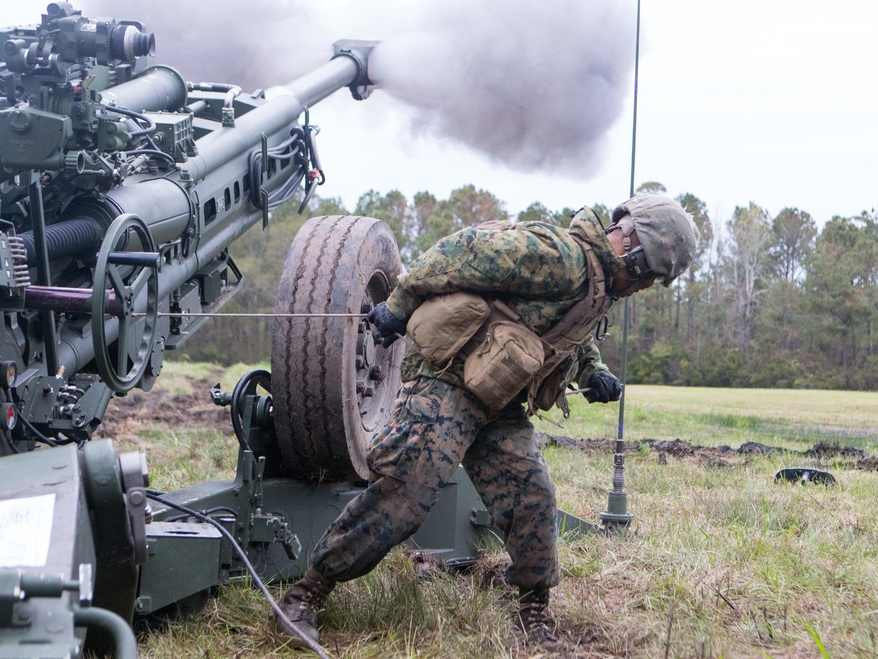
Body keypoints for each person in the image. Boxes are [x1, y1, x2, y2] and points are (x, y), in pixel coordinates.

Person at [273, 193, 699, 650]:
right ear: (630, 247)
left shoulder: (598, 287)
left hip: (499, 397)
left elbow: (565, 332)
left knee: (532, 495)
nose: (643, 286)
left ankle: (534, 615)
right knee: (408, 490)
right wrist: (399, 303)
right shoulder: (560, 257)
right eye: (647, 274)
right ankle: (305, 595)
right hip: (448, 378)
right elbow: (461, 252)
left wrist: (594, 371)